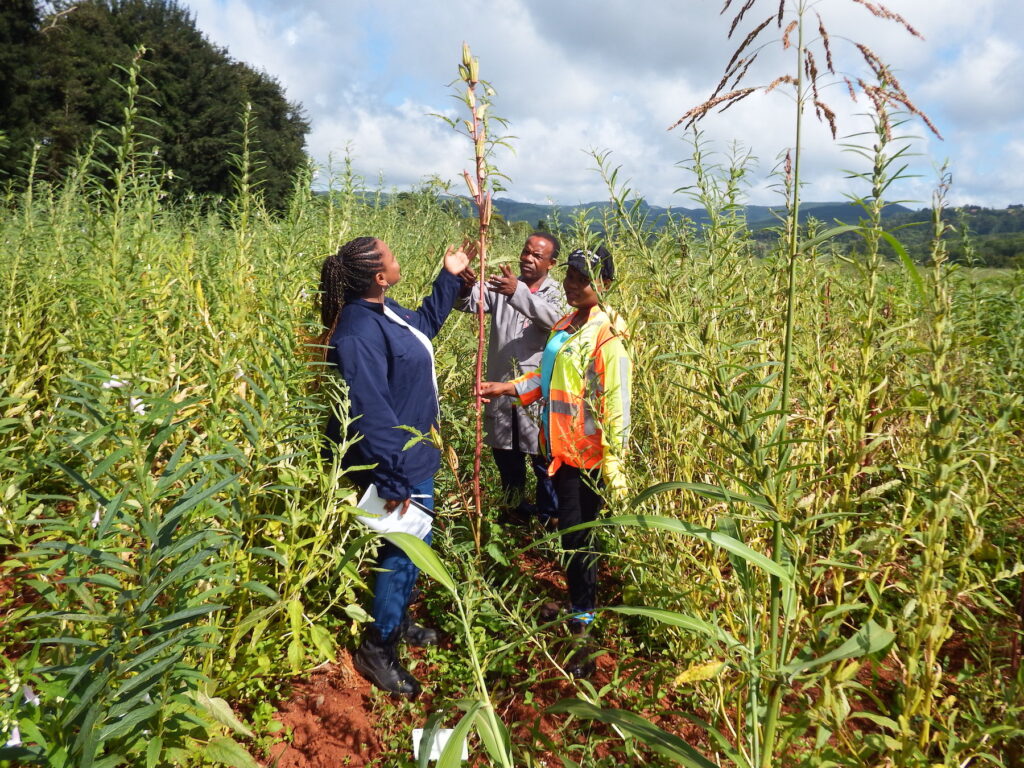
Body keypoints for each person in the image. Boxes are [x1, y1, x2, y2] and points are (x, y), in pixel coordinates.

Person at [319, 236, 475, 698]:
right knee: (401, 550)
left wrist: (449, 275)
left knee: (411, 544)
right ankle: (377, 647)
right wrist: (392, 475)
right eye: (393, 255)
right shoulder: (356, 332)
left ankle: (398, 620)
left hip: (412, 455)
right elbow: (371, 413)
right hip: (393, 463)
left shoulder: (381, 313)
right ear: (379, 277)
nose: (398, 257)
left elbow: (423, 324)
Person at [478, 246, 631, 678]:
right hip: (560, 451)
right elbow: (547, 381)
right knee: (570, 537)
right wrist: (507, 388)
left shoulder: (608, 335)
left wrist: (612, 466)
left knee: (580, 542)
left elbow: (617, 404)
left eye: (583, 278)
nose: (573, 284)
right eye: (571, 276)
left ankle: (583, 630)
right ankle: (576, 607)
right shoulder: (566, 324)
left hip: (589, 458)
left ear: (604, 283)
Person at [456, 232, 565, 525]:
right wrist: (465, 287)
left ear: (551, 263)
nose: (527, 258)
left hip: (535, 393)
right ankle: (514, 513)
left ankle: (550, 520)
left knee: (543, 462)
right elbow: (470, 303)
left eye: (537, 256)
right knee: (506, 456)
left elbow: (554, 320)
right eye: (525, 252)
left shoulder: (556, 293)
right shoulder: (503, 285)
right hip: (500, 388)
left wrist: (517, 292)